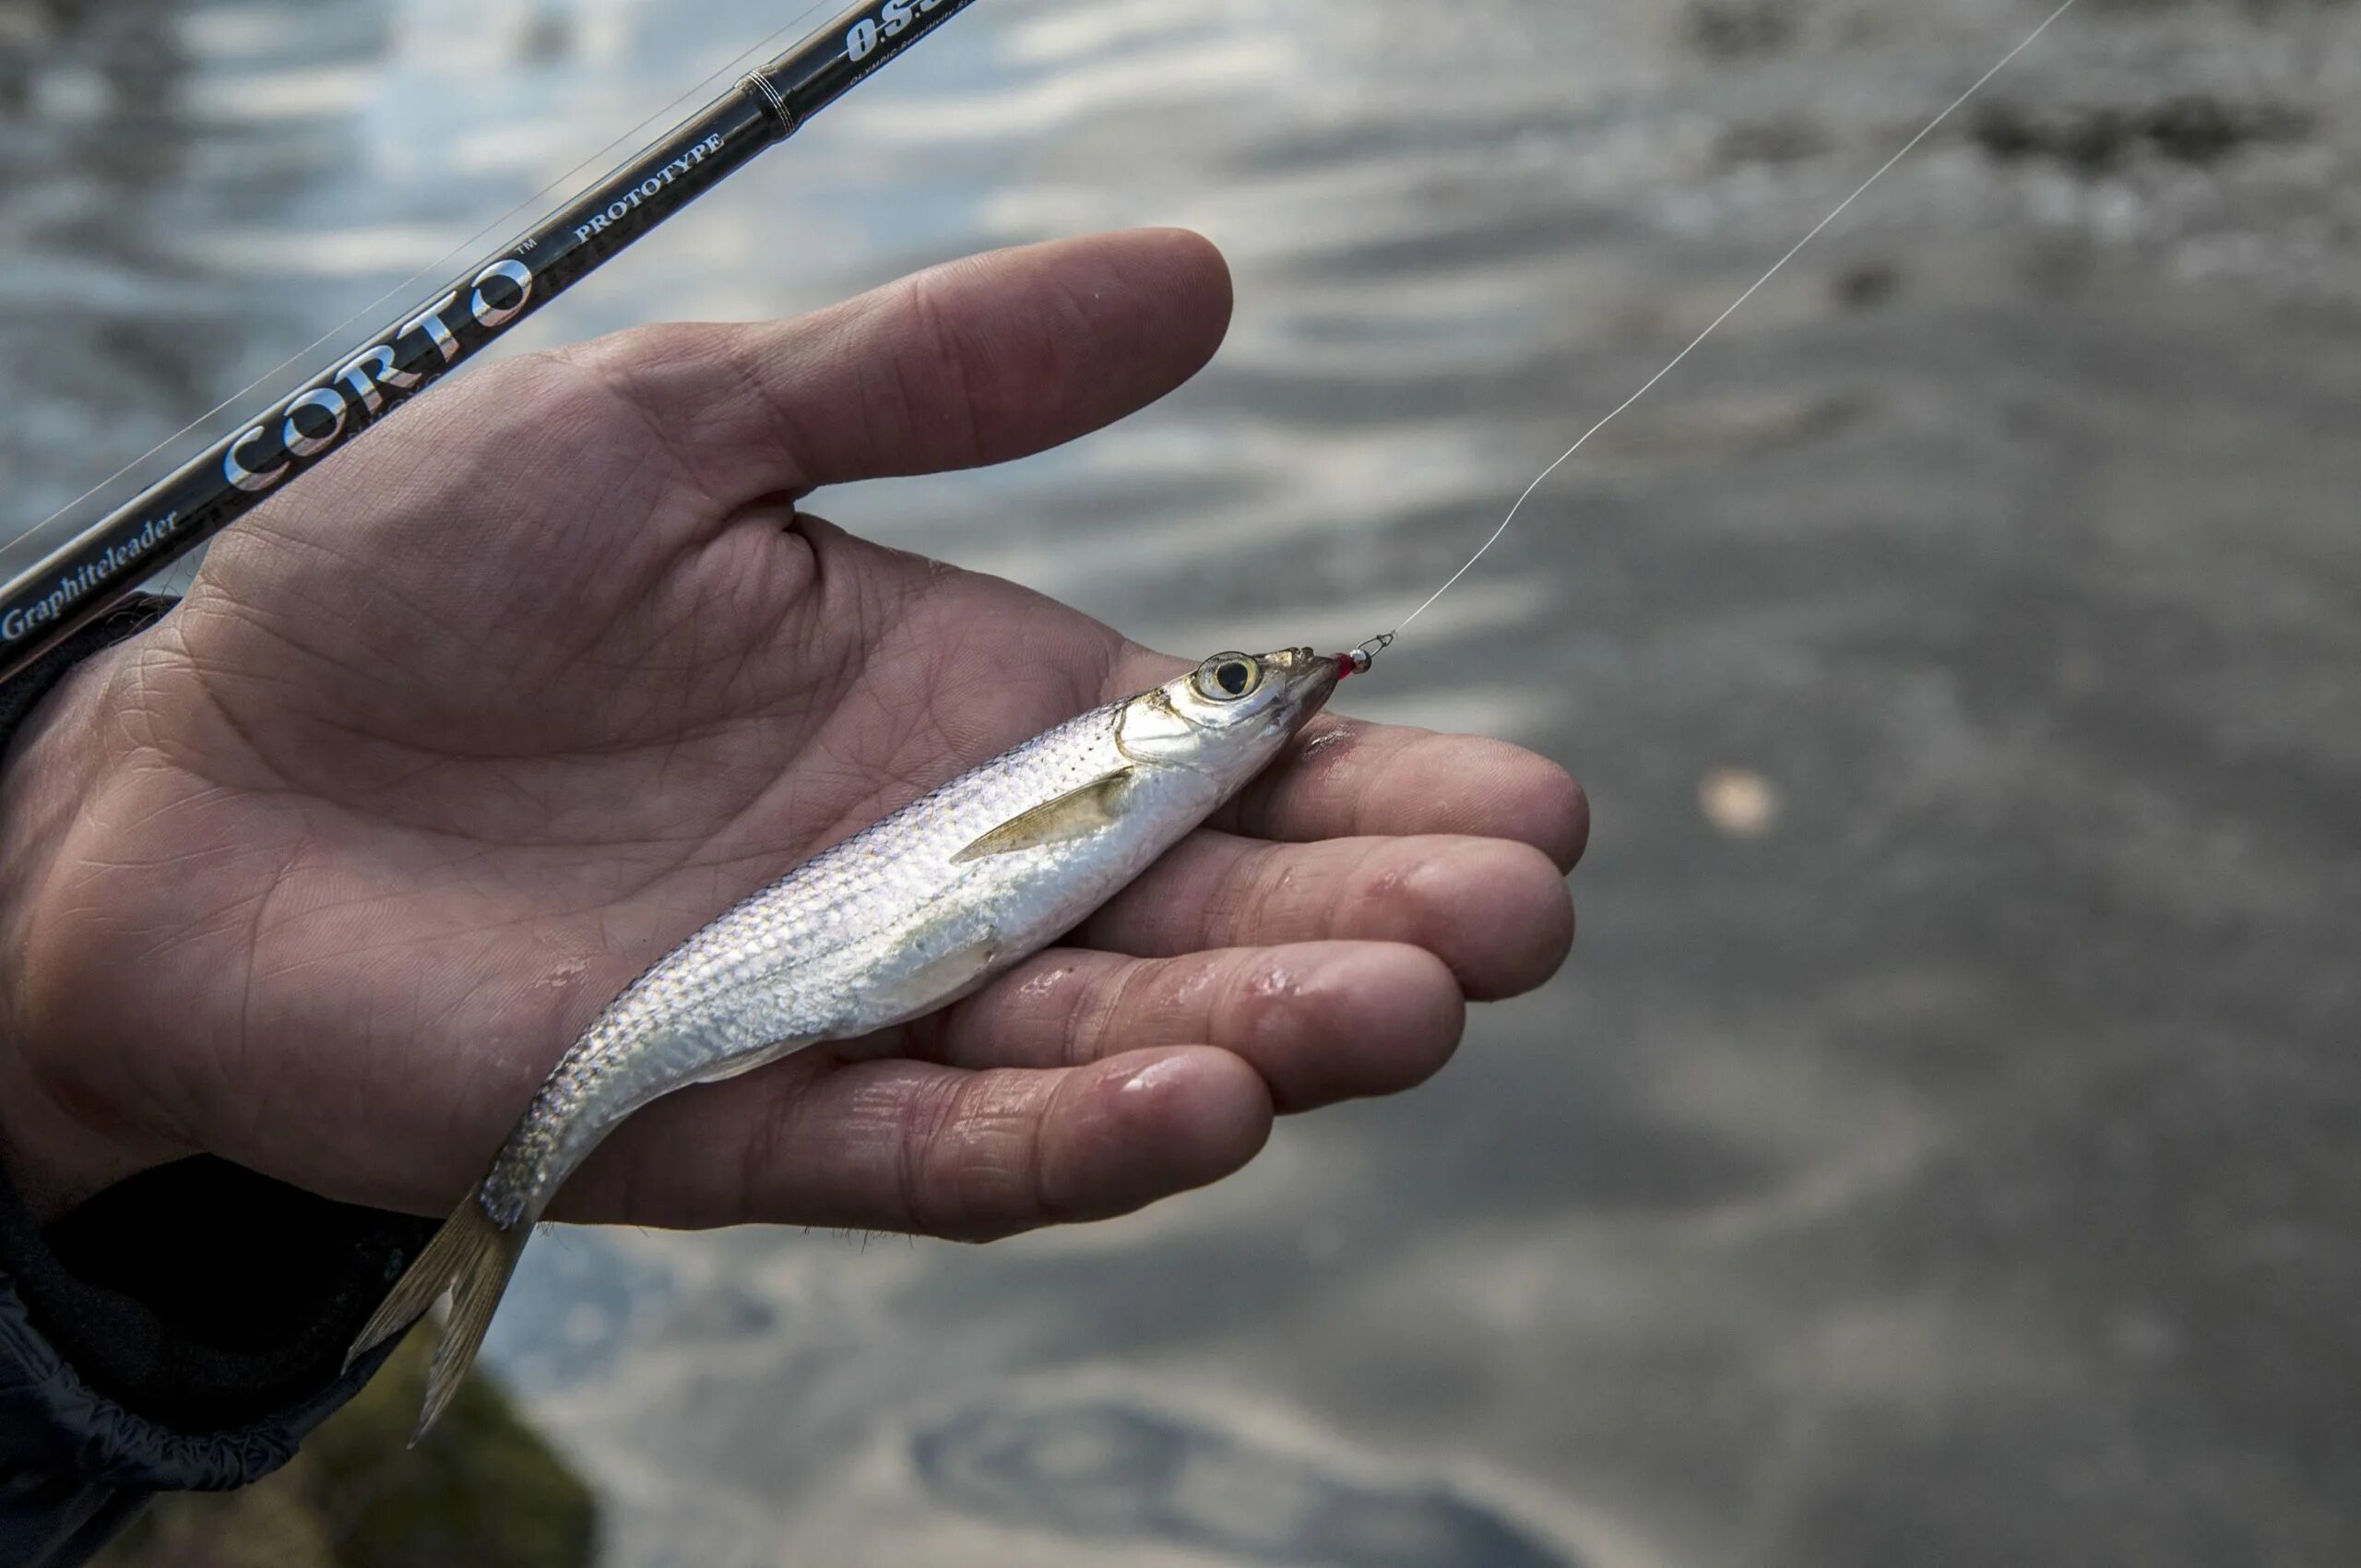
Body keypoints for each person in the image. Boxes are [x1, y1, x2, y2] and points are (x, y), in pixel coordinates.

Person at [0, 230, 1584, 1562]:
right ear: (1164, 737)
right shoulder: (1136, 753)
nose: (1257, 692)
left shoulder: (1178, 763)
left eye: (1247, 685)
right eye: (1234, 682)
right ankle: (483, 1225)